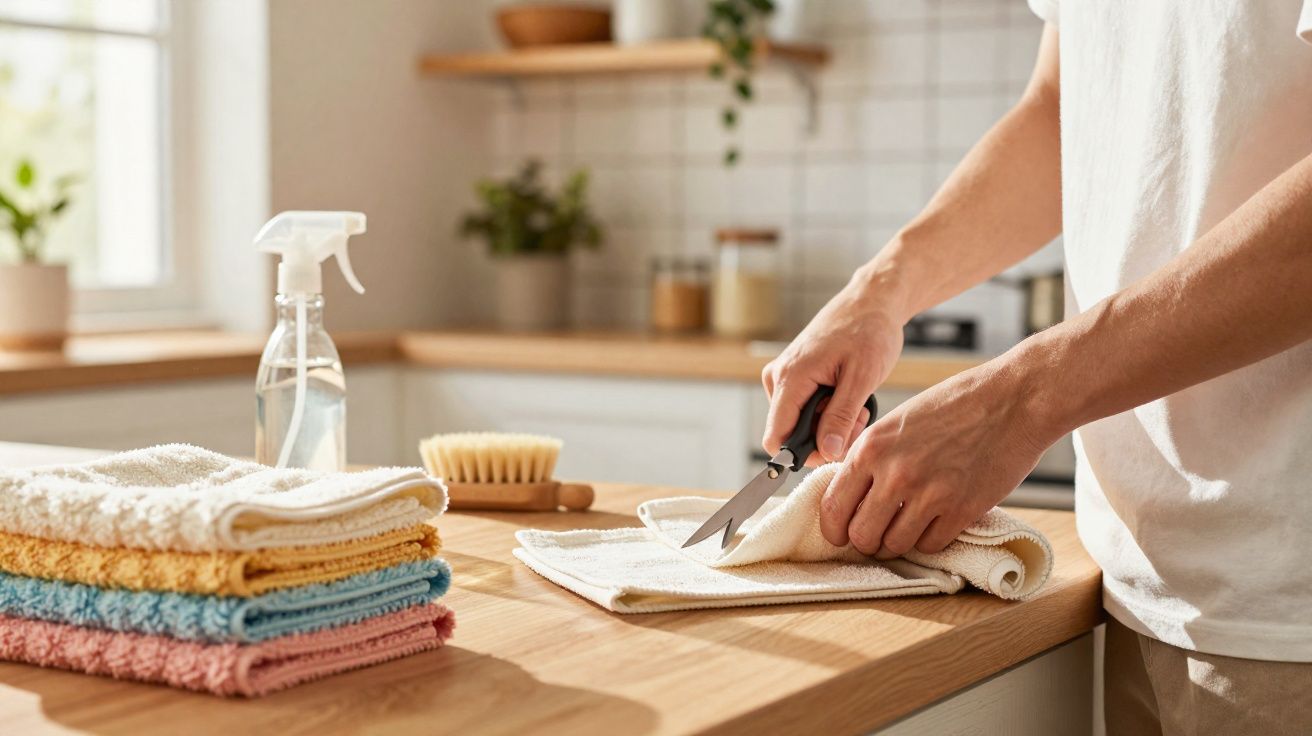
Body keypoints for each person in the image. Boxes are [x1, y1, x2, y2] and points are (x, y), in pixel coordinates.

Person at [760, 2, 1312, 733]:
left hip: (1290, 597)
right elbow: (1060, 110)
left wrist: (1021, 398)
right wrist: (880, 291)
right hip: (1141, 577)